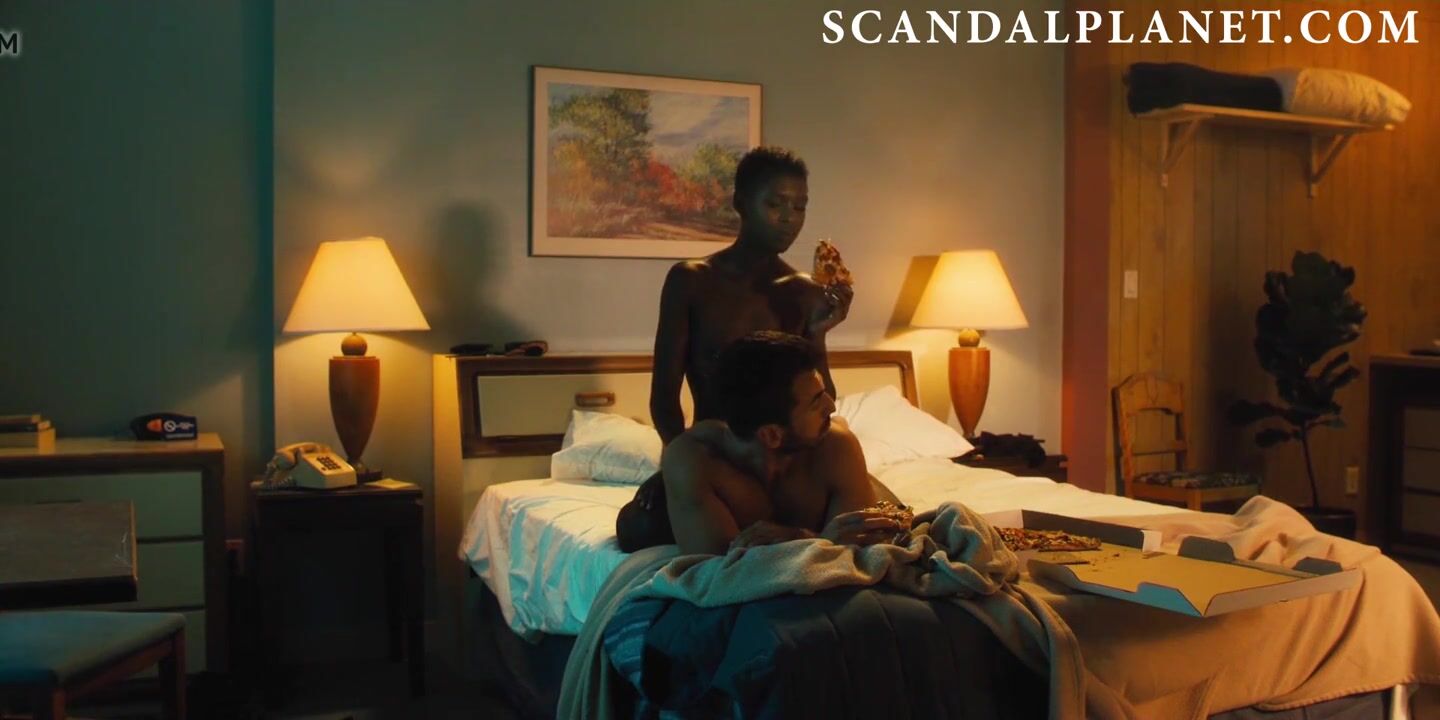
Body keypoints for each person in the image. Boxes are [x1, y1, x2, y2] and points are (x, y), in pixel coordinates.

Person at [618, 332, 905, 555]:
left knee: (894, 515)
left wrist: (803, 538)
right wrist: (822, 541)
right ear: (772, 435)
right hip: (669, 512)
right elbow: (717, 569)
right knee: (639, 526)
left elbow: (854, 546)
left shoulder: (837, 445)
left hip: (811, 470)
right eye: (816, 402)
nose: (831, 406)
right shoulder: (697, 461)